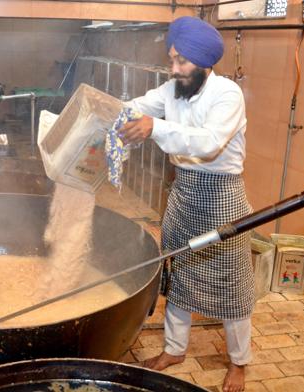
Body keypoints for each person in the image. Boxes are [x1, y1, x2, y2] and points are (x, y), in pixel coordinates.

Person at [120, 16, 254, 392]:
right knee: (177, 274)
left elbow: (208, 142)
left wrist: (155, 127)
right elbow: (133, 107)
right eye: (172, 59)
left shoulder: (227, 95)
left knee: (231, 282)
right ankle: (174, 350)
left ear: (203, 63)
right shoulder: (171, 88)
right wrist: (96, 110)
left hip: (221, 196)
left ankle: (239, 361)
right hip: (184, 192)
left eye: (181, 61)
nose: (174, 67)